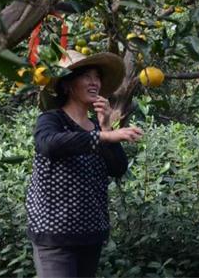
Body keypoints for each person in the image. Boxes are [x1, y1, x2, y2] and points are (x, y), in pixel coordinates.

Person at [26, 50, 143, 278]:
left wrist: (107, 128)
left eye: (97, 77)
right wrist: (103, 137)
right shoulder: (52, 120)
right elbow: (49, 145)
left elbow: (118, 168)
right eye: (86, 76)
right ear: (68, 84)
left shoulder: (99, 128)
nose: (94, 82)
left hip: (90, 235)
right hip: (54, 235)